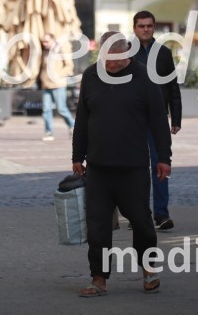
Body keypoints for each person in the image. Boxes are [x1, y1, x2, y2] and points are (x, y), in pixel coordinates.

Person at [72, 32, 172, 297]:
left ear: (126, 53)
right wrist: (76, 156)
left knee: (141, 222)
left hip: (133, 168)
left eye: (115, 60)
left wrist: (164, 158)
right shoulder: (92, 75)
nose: (109, 65)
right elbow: (82, 118)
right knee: (98, 228)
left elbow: (159, 122)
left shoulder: (145, 78)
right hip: (98, 168)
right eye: (105, 59)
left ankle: (149, 270)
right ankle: (98, 279)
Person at [132, 10, 182, 231]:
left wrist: (176, 117)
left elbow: (173, 87)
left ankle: (161, 214)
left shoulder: (163, 53)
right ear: (134, 28)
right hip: (131, 120)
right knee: (135, 168)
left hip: (158, 119)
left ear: (153, 27)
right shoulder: (126, 51)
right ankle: (138, 214)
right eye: (141, 26)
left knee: (161, 165)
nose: (145, 29)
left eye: (149, 26)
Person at [39, 33, 75, 141]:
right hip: (46, 84)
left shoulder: (61, 50)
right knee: (46, 109)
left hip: (58, 84)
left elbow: (69, 65)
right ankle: (48, 132)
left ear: (53, 40)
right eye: (43, 41)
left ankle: (73, 126)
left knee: (61, 109)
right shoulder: (44, 52)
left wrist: (59, 74)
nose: (44, 43)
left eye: (46, 41)